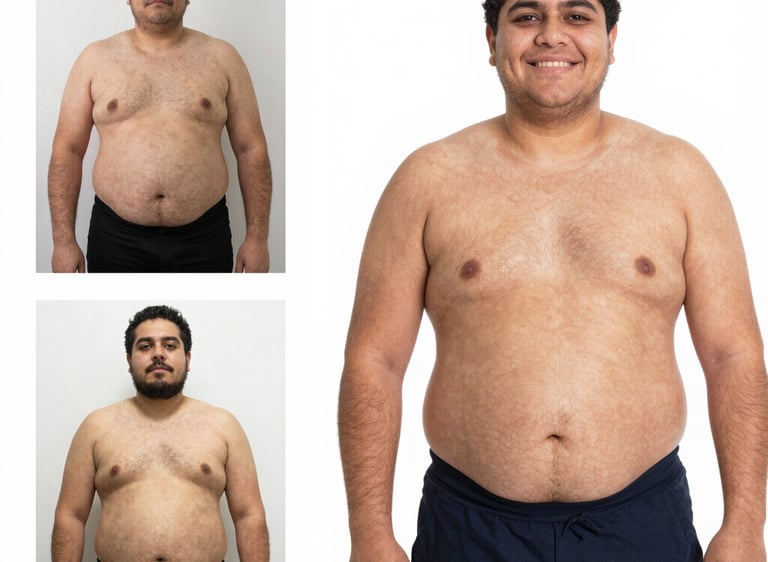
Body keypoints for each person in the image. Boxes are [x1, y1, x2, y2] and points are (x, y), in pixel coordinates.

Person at [338, 1, 768, 561]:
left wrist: (745, 525)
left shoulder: (679, 175)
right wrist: (370, 535)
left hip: (641, 523)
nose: (551, 36)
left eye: (576, 16)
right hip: (470, 527)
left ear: (612, 38)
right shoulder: (428, 179)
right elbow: (374, 361)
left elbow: (733, 355)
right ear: (491, 40)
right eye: (526, 17)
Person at [48, 0, 272, 273]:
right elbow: (67, 150)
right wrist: (62, 242)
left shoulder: (222, 58)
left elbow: (251, 149)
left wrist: (258, 238)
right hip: (116, 240)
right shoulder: (95, 59)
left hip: (204, 239)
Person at [51, 305, 269, 562]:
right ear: (129, 361)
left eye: (169, 345)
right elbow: (70, 517)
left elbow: (248, 517)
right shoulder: (96, 427)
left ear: (187, 359)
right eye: (145, 346)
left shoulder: (223, 426)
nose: (157, 354)